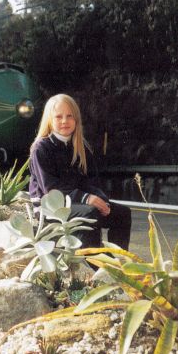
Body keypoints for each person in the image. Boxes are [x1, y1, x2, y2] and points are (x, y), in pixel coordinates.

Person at [29, 93, 131, 249]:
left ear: (76, 119)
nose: (65, 121)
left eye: (70, 116)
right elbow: (51, 190)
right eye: (58, 116)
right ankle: (93, 263)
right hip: (50, 207)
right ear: (49, 119)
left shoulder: (80, 147)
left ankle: (119, 261)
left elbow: (90, 181)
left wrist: (101, 199)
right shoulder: (41, 148)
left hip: (76, 201)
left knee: (122, 213)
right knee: (89, 212)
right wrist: (86, 198)